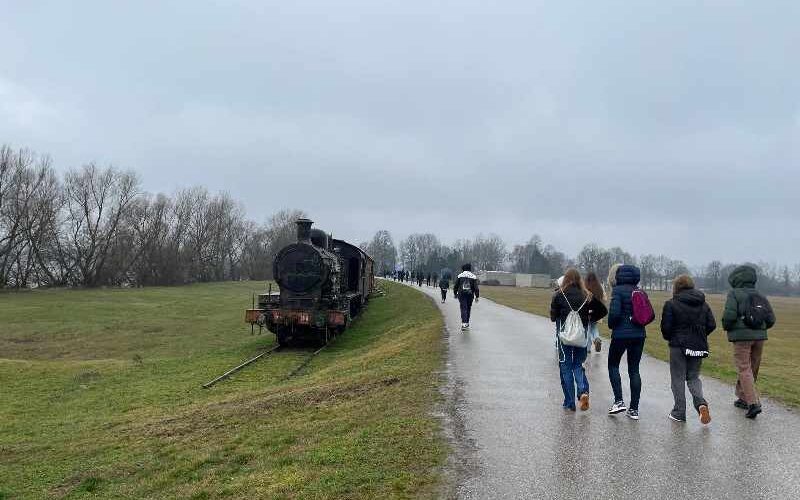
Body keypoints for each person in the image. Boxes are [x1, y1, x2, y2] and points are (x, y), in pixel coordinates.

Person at [660, 274, 717, 424]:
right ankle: (701, 404)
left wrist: (671, 337)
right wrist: (700, 335)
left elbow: (666, 328)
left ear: (676, 287)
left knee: (677, 378)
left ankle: (679, 412)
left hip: (678, 345)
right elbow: (712, 324)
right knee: (693, 377)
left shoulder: (671, 304)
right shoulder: (703, 304)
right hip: (697, 346)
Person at [722, 265, 776, 419]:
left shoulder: (734, 294)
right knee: (752, 368)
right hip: (760, 337)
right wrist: (760, 329)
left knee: (744, 368)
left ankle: (753, 403)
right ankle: (743, 397)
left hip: (742, 338)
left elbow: (729, 317)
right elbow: (771, 319)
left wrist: (728, 327)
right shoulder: (761, 295)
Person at [550, 268, 607, 412]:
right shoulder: (587, 295)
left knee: (566, 367)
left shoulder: (559, 295)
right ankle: (582, 391)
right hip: (582, 336)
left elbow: (553, 316)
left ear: (566, 280)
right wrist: (589, 317)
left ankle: (569, 402)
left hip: (565, 337)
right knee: (577, 364)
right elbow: (603, 311)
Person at [607, 264, 647, 420]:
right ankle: (634, 409)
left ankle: (619, 401)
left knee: (613, 365)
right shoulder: (641, 291)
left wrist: (611, 324)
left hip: (620, 335)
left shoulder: (617, 291)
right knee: (634, 370)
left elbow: (614, 314)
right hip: (639, 334)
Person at [585, 272, 607, 353]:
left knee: (588, 329)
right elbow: (605, 299)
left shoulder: (586, 287)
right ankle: (597, 338)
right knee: (594, 327)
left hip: (588, 312)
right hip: (598, 312)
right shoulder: (599, 287)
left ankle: (588, 348)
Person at [454, 263, 479, 330]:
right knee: (468, 308)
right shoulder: (473, 276)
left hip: (461, 294)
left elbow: (456, 286)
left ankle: (464, 323)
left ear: (463, 268)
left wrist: (455, 293)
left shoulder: (460, 275)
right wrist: (477, 296)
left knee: (463, 308)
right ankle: (467, 322)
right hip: (470, 295)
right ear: (470, 268)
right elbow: (476, 288)